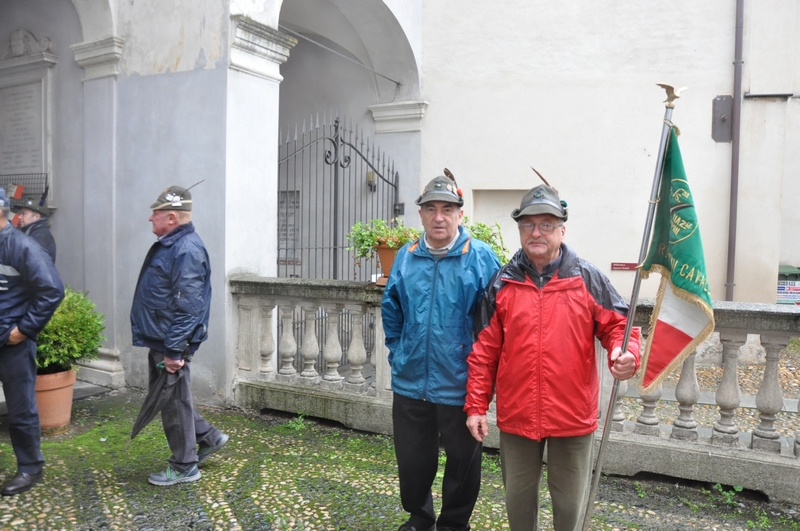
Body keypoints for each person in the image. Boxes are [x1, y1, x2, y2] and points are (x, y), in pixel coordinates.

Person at [464, 183, 640, 531]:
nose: (536, 232)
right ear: (519, 230)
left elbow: (621, 325)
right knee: (518, 502)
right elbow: (484, 351)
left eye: (546, 224)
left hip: (572, 416)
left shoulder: (587, 279)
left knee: (570, 506)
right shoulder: (502, 284)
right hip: (517, 414)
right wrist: (475, 406)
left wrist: (626, 353)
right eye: (528, 225)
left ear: (562, 229)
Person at [382, 172, 501, 531]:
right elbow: (392, 310)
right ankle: (419, 518)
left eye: (447, 209)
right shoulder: (406, 257)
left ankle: (453, 524)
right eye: (431, 209)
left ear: (460, 215)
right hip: (411, 382)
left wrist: (481, 375)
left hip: (460, 384)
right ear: (420, 215)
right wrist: (400, 352)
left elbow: (495, 323)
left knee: (463, 464)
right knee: (413, 460)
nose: (439, 217)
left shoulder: (481, 259)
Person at [130, 185, 229, 486]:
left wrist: (174, 351)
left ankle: (185, 465)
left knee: (172, 402)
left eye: (156, 213)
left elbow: (188, 306)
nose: (150, 218)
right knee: (174, 397)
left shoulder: (185, 249)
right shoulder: (173, 244)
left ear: (171, 218)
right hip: (163, 338)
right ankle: (209, 437)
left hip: (170, 341)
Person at [0, 187, 65, 496]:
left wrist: (23, 330)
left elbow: (52, 290)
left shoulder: (21, 246)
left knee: (21, 408)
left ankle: (30, 467)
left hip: (11, 342)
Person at [13, 199, 56, 263]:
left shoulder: (39, 236)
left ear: (36, 216)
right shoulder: (35, 232)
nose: (19, 217)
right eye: (20, 213)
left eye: (24, 214)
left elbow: (36, 265)